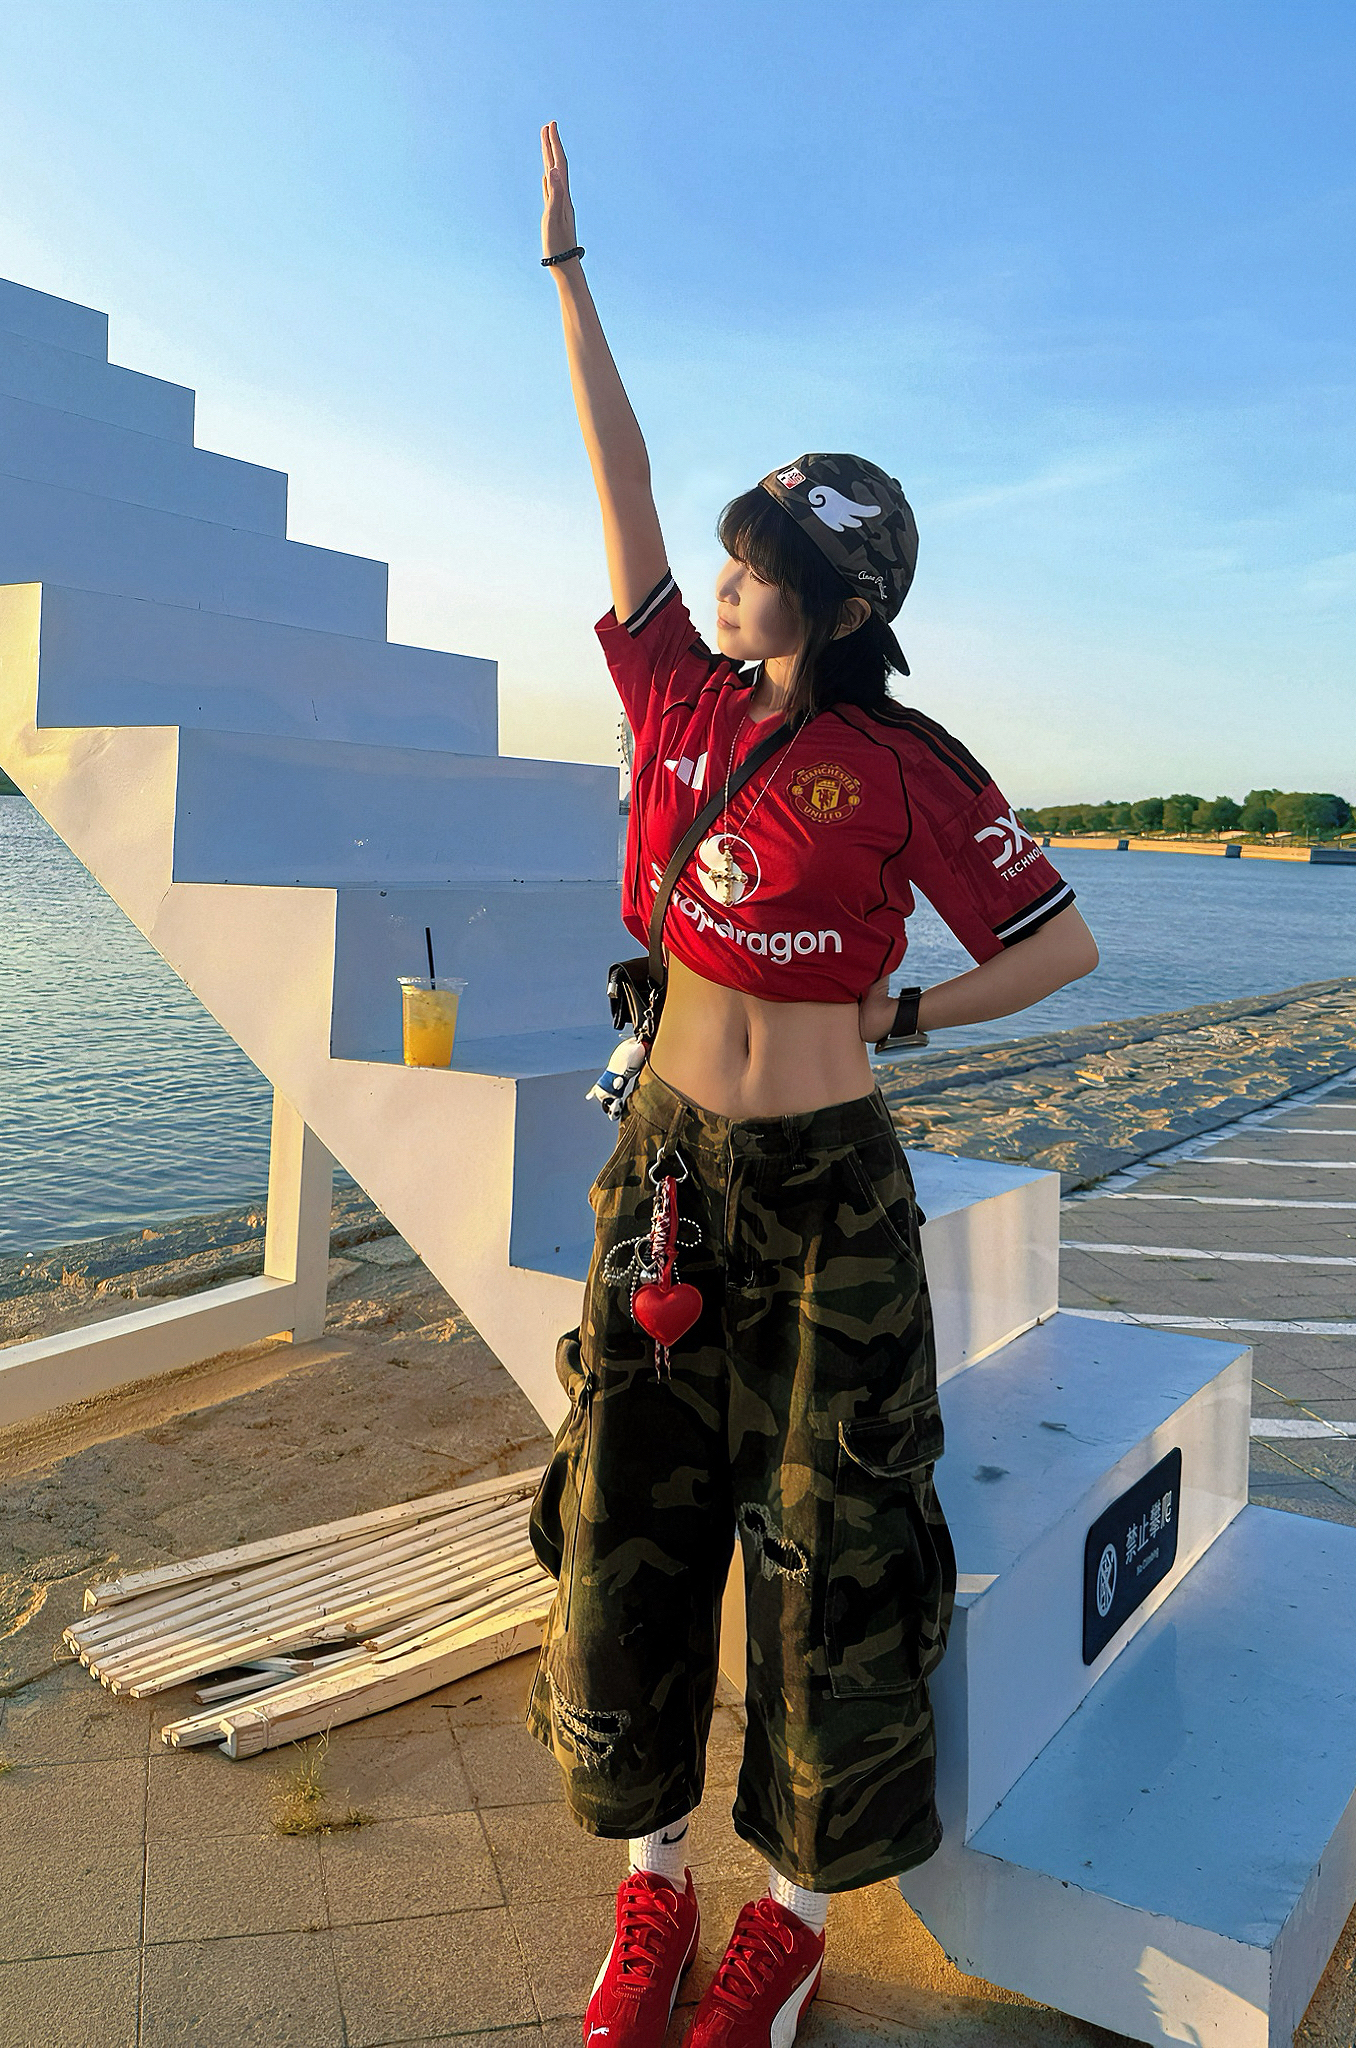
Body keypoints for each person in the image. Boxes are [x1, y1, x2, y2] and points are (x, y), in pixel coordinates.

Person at [525, 122, 1100, 2048]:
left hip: (832, 1194)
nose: (723, 584)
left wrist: (909, 1019)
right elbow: (619, 483)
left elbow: (1059, 947)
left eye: (761, 571)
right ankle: (651, 1887)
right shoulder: (673, 698)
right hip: (666, 1172)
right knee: (626, 1515)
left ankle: (788, 1920)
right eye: (729, 559)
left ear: (842, 606)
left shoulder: (912, 765)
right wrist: (569, 277)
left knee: (834, 1546)